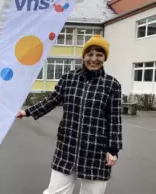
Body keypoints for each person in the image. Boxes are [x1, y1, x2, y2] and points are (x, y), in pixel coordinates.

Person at [16, 35, 122, 194]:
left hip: (96, 151)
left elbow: (114, 119)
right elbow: (52, 100)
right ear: (83, 56)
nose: (94, 59)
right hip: (68, 147)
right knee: (55, 192)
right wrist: (27, 112)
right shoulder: (68, 79)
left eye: (99, 55)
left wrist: (113, 150)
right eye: (90, 54)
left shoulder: (112, 85)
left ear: (104, 57)